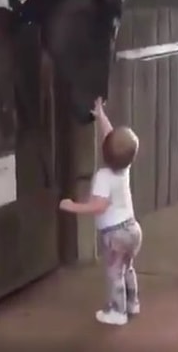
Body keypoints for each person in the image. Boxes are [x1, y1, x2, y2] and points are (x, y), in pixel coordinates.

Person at [58, 98, 142, 326]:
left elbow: (98, 206)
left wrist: (72, 206)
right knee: (127, 268)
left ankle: (118, 312)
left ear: (105, 153)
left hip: (115, 234)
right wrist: (101, 115)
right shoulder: (124, 167)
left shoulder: (104, 177)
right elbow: (112, 137)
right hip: (133, 229)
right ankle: (133, 303)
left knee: (114, 273)